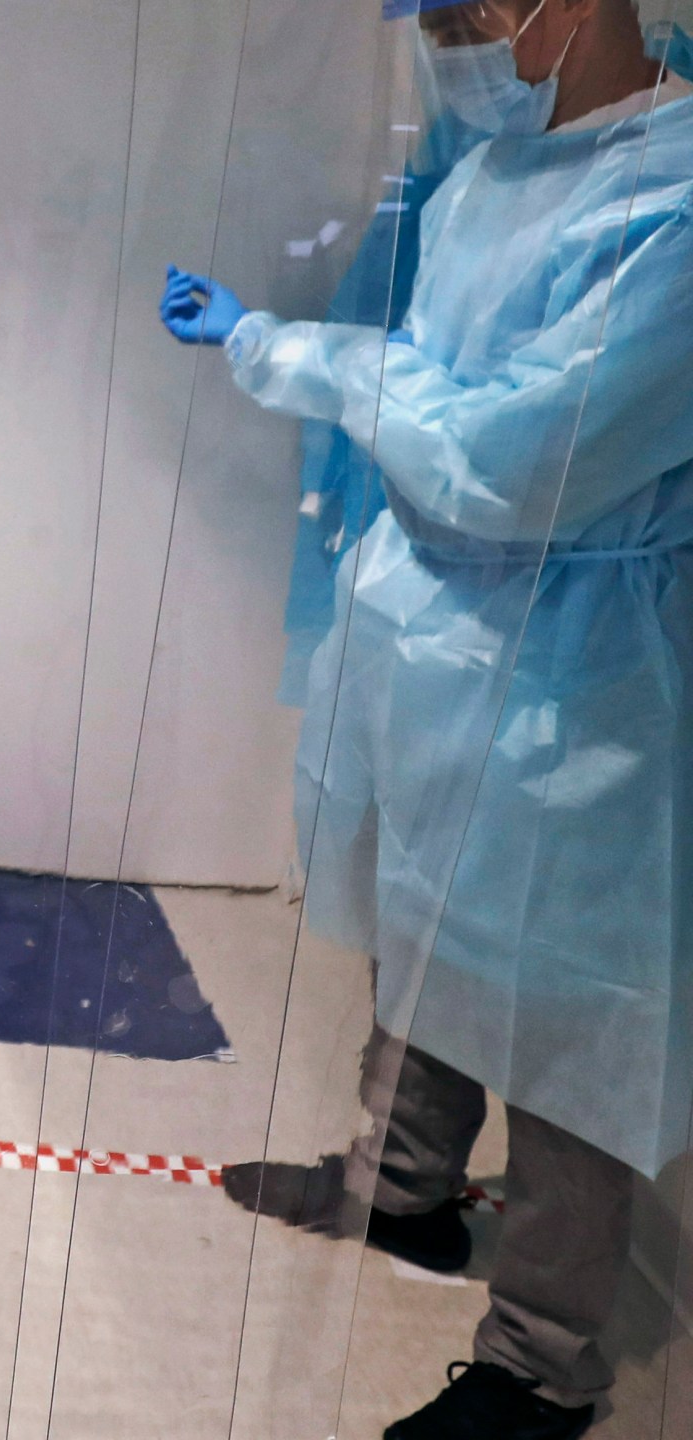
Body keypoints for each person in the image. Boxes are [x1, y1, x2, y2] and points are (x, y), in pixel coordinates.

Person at [164, 2, 692, 1435]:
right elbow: (444, 405)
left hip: (580, 676)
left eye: (463, 10)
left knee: (574, 1007)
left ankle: (540, 1359)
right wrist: (312, 361)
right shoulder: (488, 175)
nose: (447, 41)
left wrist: (297, 353)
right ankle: (402, 1189)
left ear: (568, 5)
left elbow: (519, 461)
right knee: (429, 921)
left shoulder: (679, 210)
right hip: (437, 638)